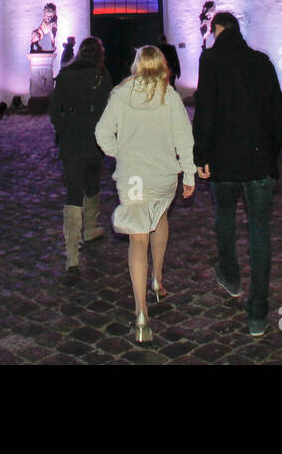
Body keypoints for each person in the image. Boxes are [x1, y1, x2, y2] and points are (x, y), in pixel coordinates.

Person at [192, 11, 282, 337]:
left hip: (224, 161)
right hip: (259, 161)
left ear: (218, 30)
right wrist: (271, 153)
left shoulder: (211, 60)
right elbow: (279, 114)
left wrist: (201, 154)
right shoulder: (261, 62)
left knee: (224, 217)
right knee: (260, 232)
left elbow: (204, 110)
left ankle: (231, 276)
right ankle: (258, 311)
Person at [94, 46, 197, 343]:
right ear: (162, 66)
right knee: (160, 217)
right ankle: (157, 279)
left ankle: (141, 314)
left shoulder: (120, 95)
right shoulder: (170, 96)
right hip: (164, 176)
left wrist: (119, 153)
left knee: (137, 237)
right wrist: (189, 174)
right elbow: (185, 139)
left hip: (134, 178)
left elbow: (101, 133)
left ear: (136, 65)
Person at [48, 38, 112, 281]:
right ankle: (90, 228)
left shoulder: (65, 76)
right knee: (93, 182)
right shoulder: (102, 75)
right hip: (95, 137)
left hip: (71, 139)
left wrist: (64, 128)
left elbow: (54, 110)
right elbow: (110, 107)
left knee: (73, 190)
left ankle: (72, 255)